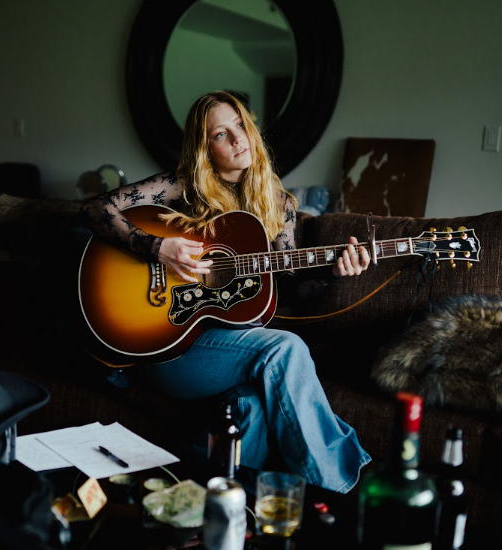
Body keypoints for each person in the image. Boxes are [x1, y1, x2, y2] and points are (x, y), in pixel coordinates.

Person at [81, 91, 371, 493]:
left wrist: (333, 274)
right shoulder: (183, 187)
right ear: (205, 148)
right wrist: (157, 247)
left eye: (240, 125)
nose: (238, 139)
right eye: (221, 133)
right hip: (175, 346)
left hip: (234, 350)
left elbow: (285, 291)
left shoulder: (278, 204)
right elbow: (95, 208)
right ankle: (336, 490)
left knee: (249, 407)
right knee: (285, 348)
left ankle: (226, 504)